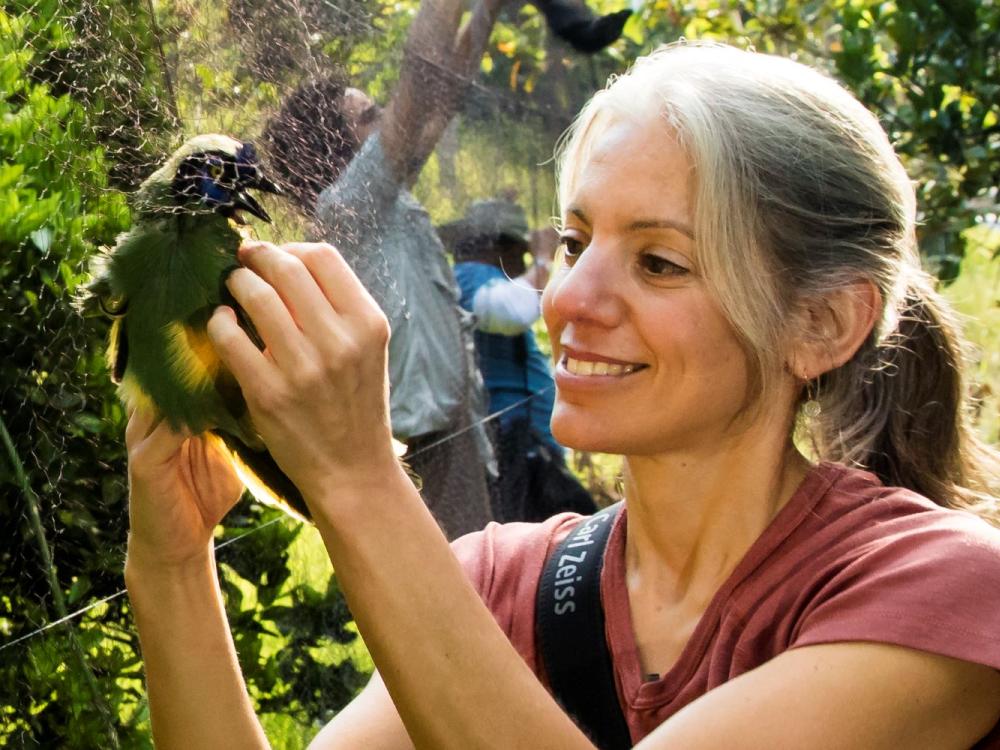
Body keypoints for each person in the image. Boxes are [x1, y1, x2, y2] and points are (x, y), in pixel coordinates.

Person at [124, 41, 1000, 749]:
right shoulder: (502, 586)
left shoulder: (944, 593)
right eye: (577, 243)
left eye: (659, 262)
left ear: (822, 325)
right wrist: (169, 565)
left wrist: (356, 479)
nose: (567, 299)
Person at [261, 0, 506, 539]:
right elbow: (418, 87)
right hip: (425, 441)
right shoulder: (348, 206)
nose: (386, 120)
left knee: (484, 591)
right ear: (335, 144)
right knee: (462, 607)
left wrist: (486, 11)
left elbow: (443, 96)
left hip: (450, 428)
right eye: (368, 116)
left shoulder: (383, 200)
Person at [444, 198, 597, 522]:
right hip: (512, 441)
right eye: (517, 251)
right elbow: (510, 312)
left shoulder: (475, 275)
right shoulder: (470, 274)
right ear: (498, 247)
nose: (520, 260)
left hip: (526, 442)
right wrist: (542, 260)